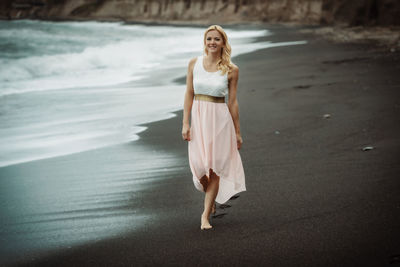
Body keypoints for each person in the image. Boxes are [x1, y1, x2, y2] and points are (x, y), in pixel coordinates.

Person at [182, 25, 246, 230]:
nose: (212, 42)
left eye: (217, 39)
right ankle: (210, 198)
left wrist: (237, 132)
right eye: (209, 38)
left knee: (215, 169)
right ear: (205, 41)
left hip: (220, 121)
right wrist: (185, 123)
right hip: (199, 120)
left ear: (223, 42)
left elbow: (233, 102)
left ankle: (205, 215)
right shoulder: (194, 63)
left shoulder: (231, 69)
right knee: (200, 168)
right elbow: (188, 94)